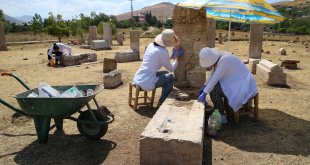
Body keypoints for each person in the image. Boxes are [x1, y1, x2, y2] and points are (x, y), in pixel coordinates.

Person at [197, 47, 257, 123]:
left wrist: (205, 93)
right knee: (212, 87)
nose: (211, 66)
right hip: (236, 82)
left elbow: (215, 78)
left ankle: (222, 116)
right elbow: (212, 74)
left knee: (214, 90)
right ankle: (218, 109)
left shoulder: (225, 61)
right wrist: (205, 86)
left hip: (242, 85)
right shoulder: (220, 58)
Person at [133, 29, 183, 108]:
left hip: (139, 77)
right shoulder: (162, 52)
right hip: (146, 82)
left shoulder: (150, 45)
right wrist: (177, 59)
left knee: (165, 73)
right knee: (171, 77)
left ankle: (164, 96)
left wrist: (170, 57)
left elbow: (157, 59)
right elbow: (171, 69)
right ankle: (162, 101)